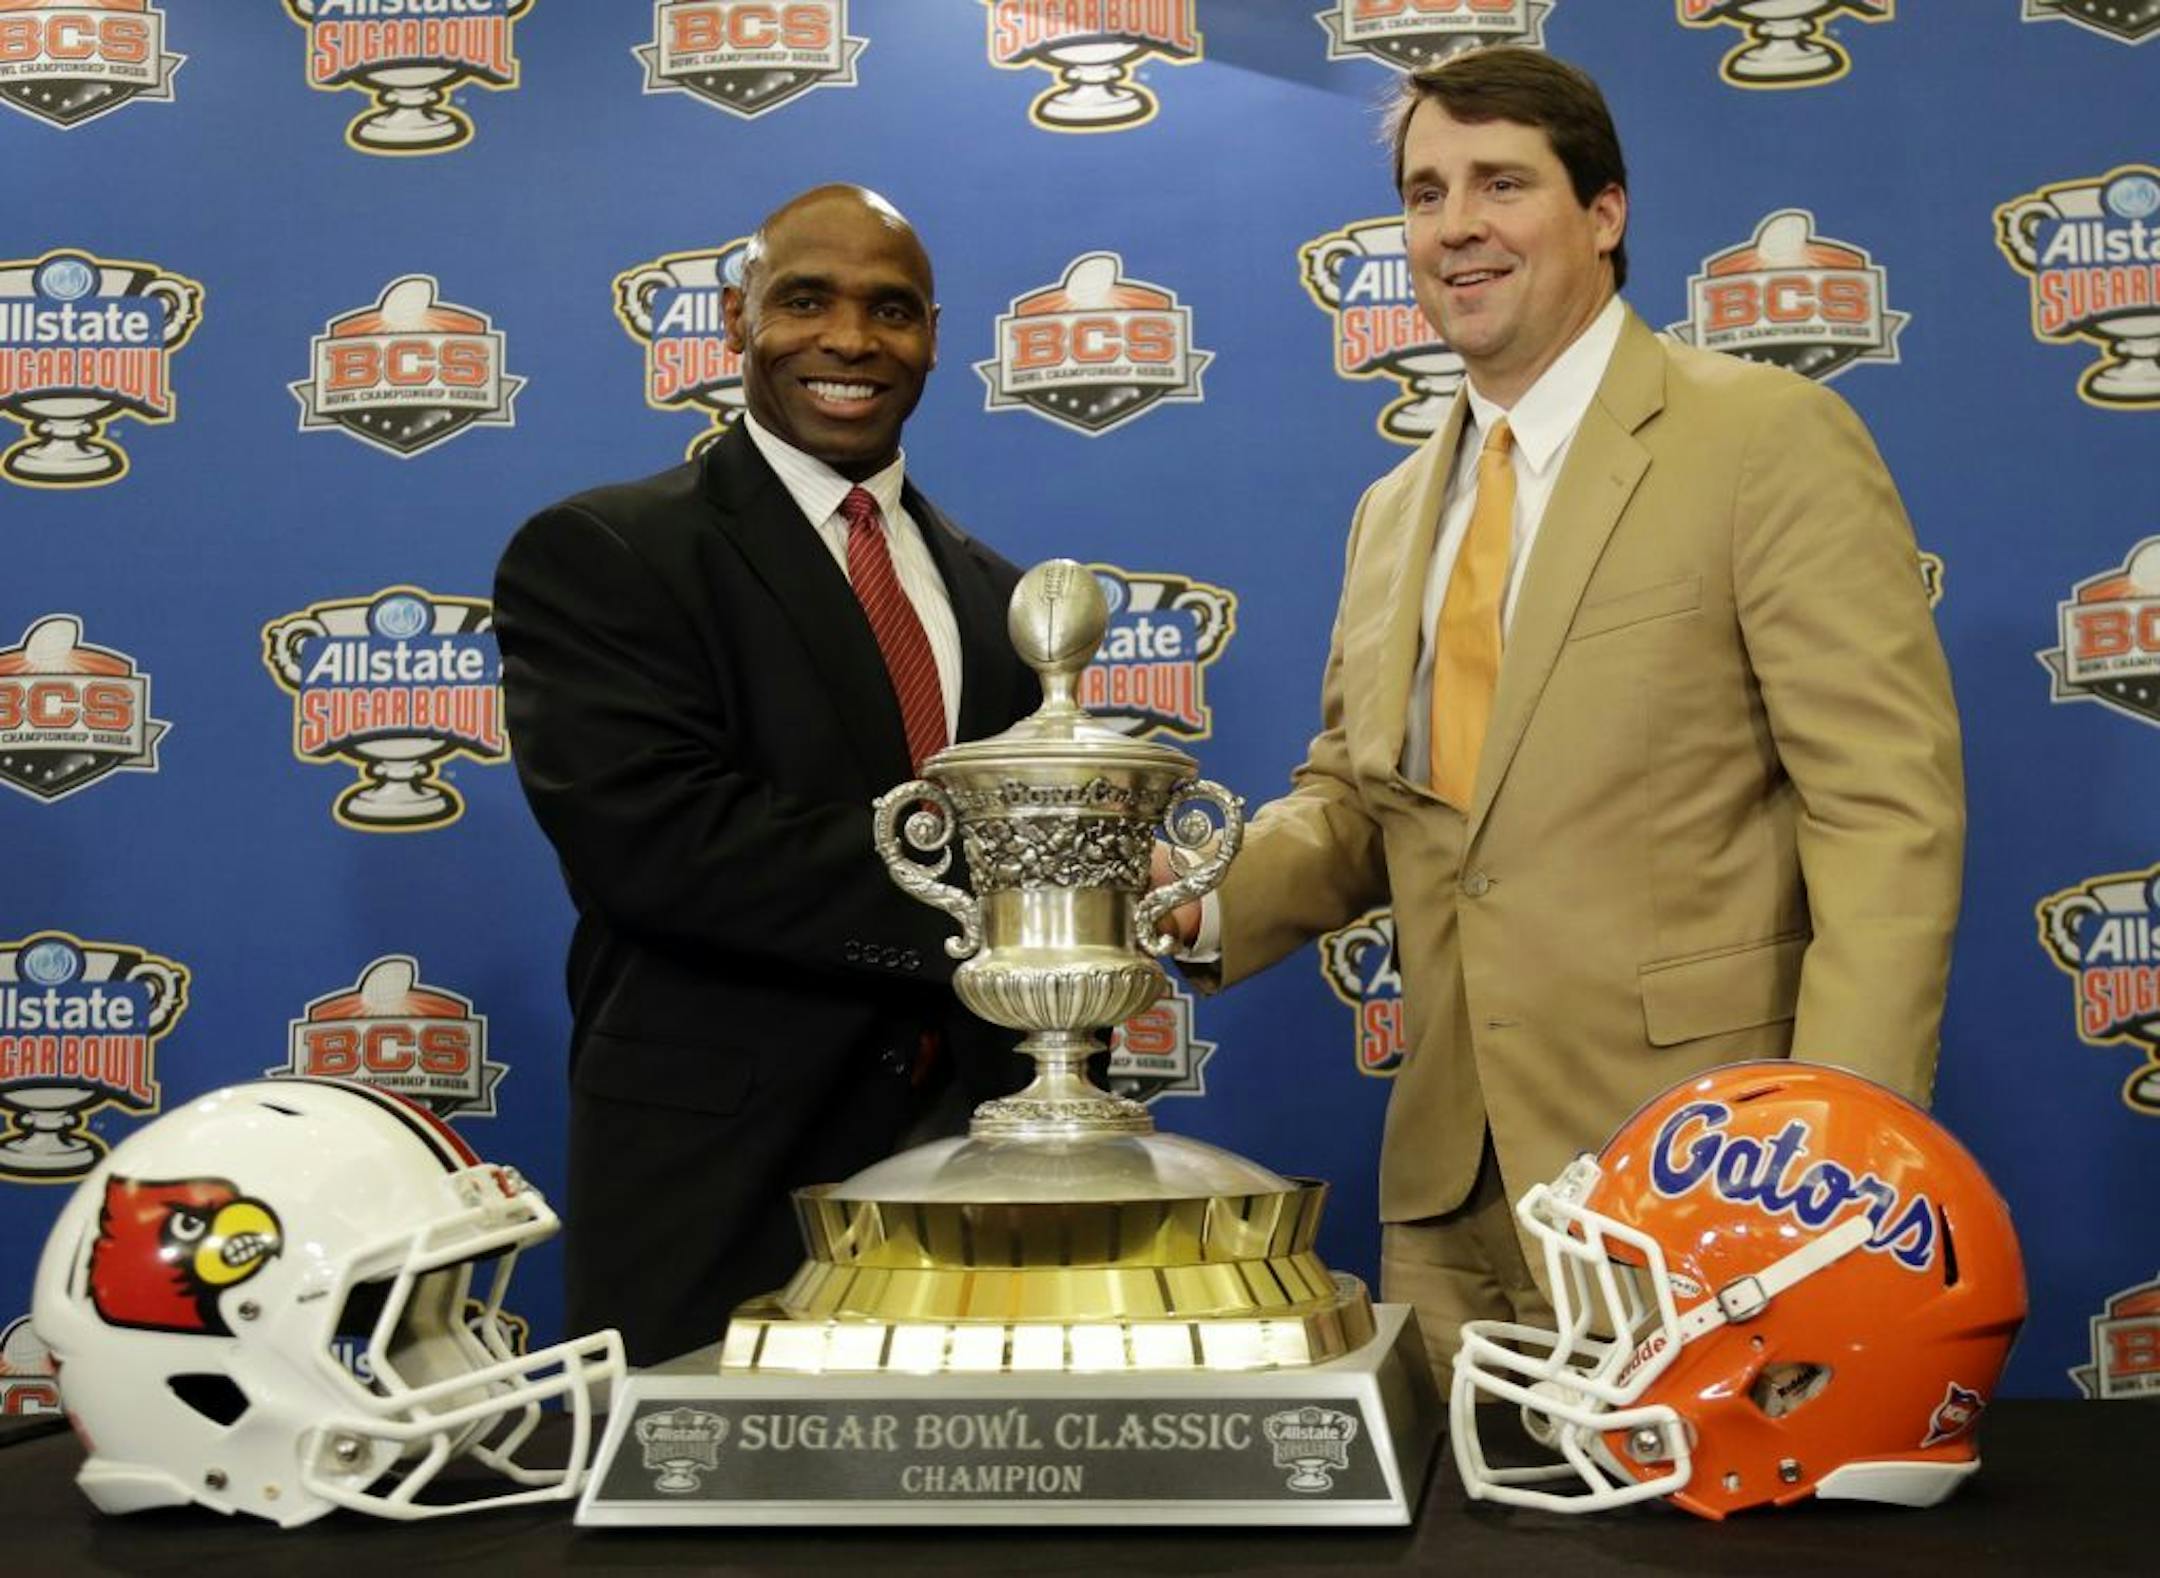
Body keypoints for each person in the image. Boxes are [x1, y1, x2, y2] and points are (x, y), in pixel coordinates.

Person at [1160, 49, 1962, 1376]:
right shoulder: (1390, 513)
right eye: (1424, 193)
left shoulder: (1766, 439)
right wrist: (1191, 899)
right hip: (1445, 1201)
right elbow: (1362, 807)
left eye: (1500, 182)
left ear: (1604, 211)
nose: (1454, 223)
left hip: (1700, 1184)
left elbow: (1883, 813)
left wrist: (1830, 1165)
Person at [493, 185, 1036, 1367]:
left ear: (935, 338)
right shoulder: (607, 552)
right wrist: (1010, 890)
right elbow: (661, 844)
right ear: (737, 319)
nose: (850, 340)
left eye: (890, 310)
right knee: (709, 1544)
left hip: (979, 1162)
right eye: (806, 301)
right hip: (718, 1175)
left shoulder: (996, 593)